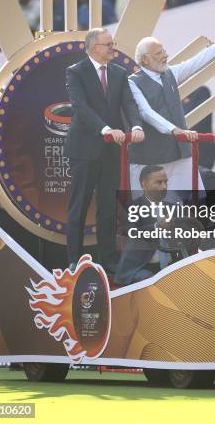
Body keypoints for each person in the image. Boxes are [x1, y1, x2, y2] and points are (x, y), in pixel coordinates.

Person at [128, 16, 215, 193]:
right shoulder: (132, 82)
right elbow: (145, 112)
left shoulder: (170, 74)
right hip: (150, 158)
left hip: (180, 152)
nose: (165, 55)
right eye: (159, 53)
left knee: (192, 203)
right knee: (150, 211)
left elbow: (198, 60)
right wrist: (174, 130)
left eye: (164, 50)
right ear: (144, 60)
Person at [64, 28, 144, 273]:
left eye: (113, 43)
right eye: (108, 44)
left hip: (112, 151)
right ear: (93, 47)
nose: (113, 48)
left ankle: (108, 261)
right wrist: (106, 129)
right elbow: (80, 107)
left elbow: (129, 103)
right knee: (79, 206)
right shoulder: (76, 72)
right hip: (85, 148)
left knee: (108, 207)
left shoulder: (119, 73)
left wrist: (137, 125)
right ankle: (74, 262)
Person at [182, 86, 215, 170]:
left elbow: (199, 121)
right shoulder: (172, 95)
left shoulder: (201, 91)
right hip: (183, 156)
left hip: (202, 152)